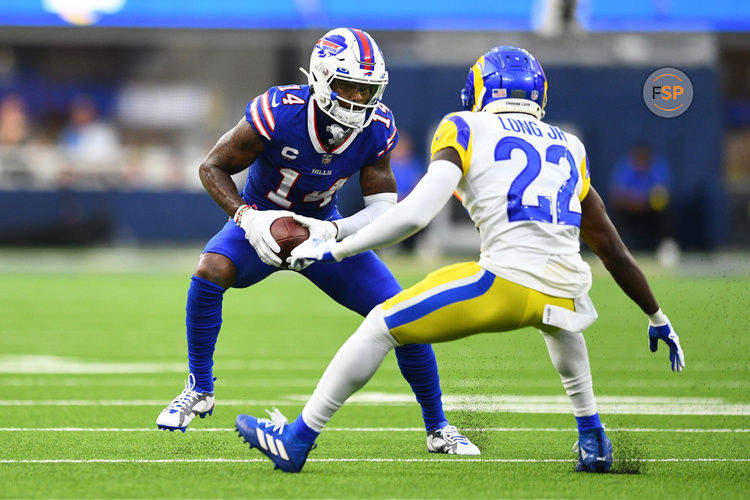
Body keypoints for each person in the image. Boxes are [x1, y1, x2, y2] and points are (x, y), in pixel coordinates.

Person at [234, 46, 685, 473]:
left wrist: (332, 248)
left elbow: (414, 214)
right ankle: (593, 438)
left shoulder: (465, 127)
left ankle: (297, 439)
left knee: (379, 325)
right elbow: (613, 249)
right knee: (559, 319)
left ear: (482, 90)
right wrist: (657, 315)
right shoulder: (571, 146)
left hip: (502, 287)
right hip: (567, 293)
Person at [156, 28, 479, 456]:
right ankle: (199, 387)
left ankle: (438, 427)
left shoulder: (376, 127)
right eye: (348, 86)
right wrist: (247, 220)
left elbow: (384, 207)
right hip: (259, 220)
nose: (358, 99)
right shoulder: (279, 112)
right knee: (209, 271)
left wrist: (333, 231)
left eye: (367, 90)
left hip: (323, 230)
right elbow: (212, 167)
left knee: (404, 315)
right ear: (322, 79)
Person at [608, 143, 674, 253]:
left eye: (644, 158)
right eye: (638, 158)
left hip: (650, 208)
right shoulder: (626, 166)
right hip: (630, 208)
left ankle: (666, 247)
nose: (641, 161)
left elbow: (664, 192)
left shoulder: (657, 167)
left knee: (666, 212)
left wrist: (647, 202)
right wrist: (633, 202)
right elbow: (616, 194)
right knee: (614, 211)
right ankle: (611, 247)